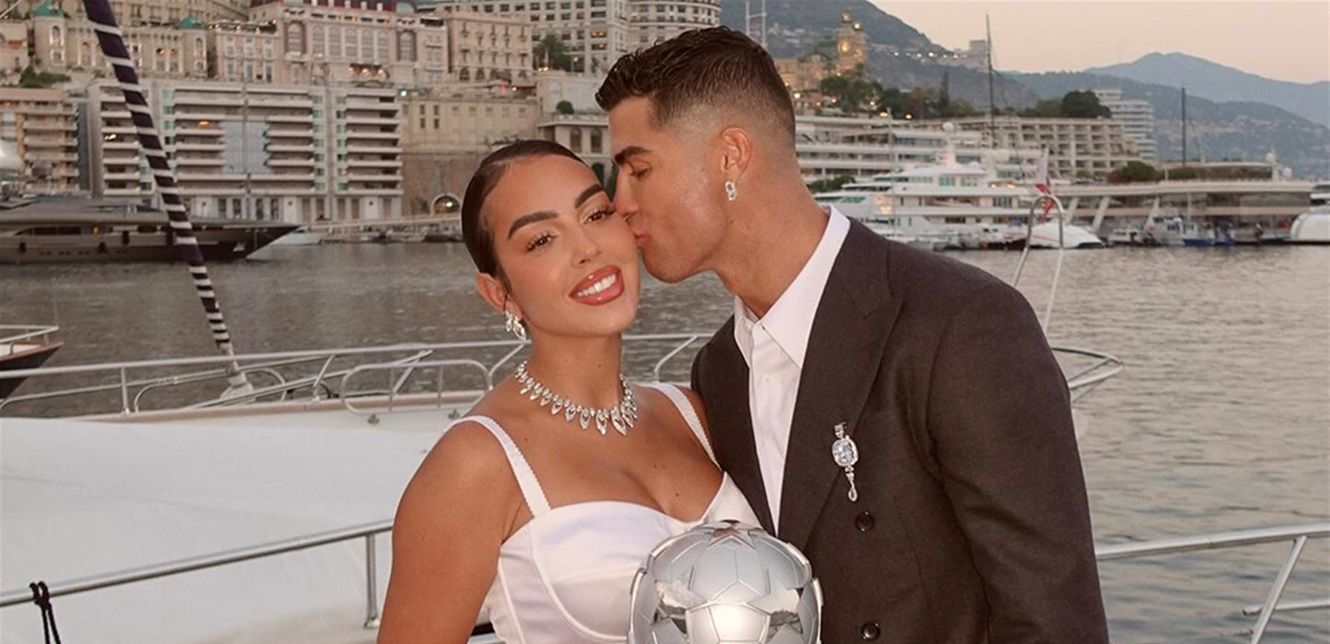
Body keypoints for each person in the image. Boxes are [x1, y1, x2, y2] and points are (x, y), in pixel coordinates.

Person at [597, 27, 1109, 642]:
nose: (620, 202)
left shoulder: (960, 324)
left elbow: (1052, 618)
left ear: (731, 156)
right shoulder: (721, 368)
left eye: (639, 170)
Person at [377, 141, 758, 643]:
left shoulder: (692, 414)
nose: (588, 249)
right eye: (541, 240)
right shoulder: (475, 464)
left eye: (596, 214)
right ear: (499, 293)